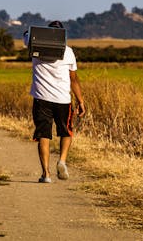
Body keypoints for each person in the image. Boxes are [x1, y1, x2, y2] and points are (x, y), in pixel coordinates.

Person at [25, 20, 86, 182]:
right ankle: (62, 160)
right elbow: (73, 79)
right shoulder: (68, 52)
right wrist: (80, 101)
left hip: (41, 99)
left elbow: (26, 35)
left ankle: (46, 174)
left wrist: (34, 34)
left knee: (43, 135)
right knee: (66, 132)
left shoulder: (35, 45)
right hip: (63, 100)